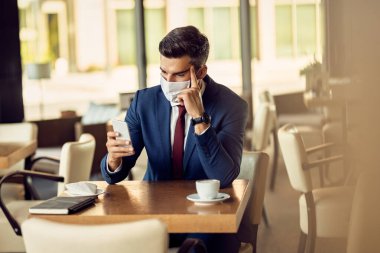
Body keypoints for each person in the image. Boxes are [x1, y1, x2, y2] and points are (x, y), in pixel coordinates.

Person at [101, 25, 248, 253]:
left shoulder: (231, 106)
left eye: (179, 75)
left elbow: (224, 176)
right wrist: (113, 160)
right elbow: (117, 173)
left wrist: (200, 119)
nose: (168, 82)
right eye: (163, 73)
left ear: (200, 72)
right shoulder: (144, 101)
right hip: (153, 210)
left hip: (207, 214)